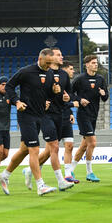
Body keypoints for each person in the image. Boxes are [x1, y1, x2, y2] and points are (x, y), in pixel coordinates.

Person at [0, 48, 74, 196]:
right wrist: (17, 102)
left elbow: (48, 94)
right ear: (40, 58)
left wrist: (54, 93)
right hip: (26, 115)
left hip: (41, 115)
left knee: (25, 149)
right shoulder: (26, 71)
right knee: (34, 149)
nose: (48, 66)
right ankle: (40, 185)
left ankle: (4, 175)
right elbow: (9, 87)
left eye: (50, 64)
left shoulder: (50, 73)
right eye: (47, 63)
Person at [21, 48, 78, 190]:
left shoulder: (64, 75)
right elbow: (38, 92)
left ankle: (30, 170)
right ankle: (61, 181)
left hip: (61, 114)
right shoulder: (44, 74)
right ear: (50, 57)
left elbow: (69, 93)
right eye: (58, 55)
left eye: (61, 54)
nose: (61, 57)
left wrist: (68, 99)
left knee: (49, 150)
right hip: (45, 114)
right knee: (54, 147)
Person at [68, 55, 109, 182]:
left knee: (84, 146)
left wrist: (104, 94)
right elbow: (69, 94)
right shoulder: (79, 79)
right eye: (93, 63)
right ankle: (89, 172)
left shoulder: (101, 79)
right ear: (86, 65)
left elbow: (105, 97)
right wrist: (80, 100)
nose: (96, 65)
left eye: (96, 63)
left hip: (94, 115)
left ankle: (70, 171)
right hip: (83, 115)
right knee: (92, 142)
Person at [60, 61, 80, 183]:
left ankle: (68, 175)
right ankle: (31, 170)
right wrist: (72, 104)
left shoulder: (68, 85)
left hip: (66, 117)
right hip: (55, 118)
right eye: (71, 69)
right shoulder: (55, 82)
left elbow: (65, 102)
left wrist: (71, 112)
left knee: (69, 146)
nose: (73, 71)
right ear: (64, 70)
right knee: (50, 150)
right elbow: (56, 103)